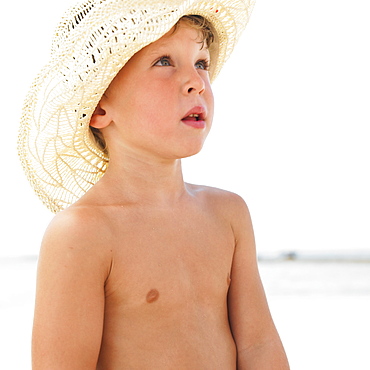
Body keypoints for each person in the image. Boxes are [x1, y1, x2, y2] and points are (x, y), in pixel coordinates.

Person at [18, 0, 289, 368]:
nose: (196, 82)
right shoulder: (83, 233)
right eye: (164, 62)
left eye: (201, 63)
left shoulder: (227, 215)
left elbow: (259, 346)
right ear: (99, 108)